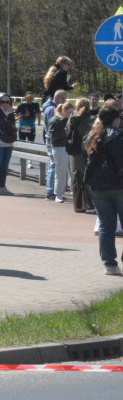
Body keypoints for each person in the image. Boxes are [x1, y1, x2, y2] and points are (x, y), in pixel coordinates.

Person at [83, 107, 123, 275]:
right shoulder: (119, 136)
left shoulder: (92, 136)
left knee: (106, 225)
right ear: (115, 120)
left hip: (97, 186)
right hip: (118, 186)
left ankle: (109, 264)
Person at [67, 98, 97, 214]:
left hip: (73, 151)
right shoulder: (90, 119)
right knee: (87, 177)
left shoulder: (72, 118)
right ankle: (89, 205)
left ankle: (78, 205)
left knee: (76, 177)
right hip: (85, 151)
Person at [43, 89, 68, 200]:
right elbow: (52, 128)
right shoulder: (51, 109)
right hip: (53, 141)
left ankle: (52, 190)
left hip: (53, 140)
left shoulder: (52, 108)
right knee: (54, 165)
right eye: (63, 98)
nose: (65, 100)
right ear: (56, 98)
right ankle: (50, 191)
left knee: (55, 165)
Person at [47, 100, 73, 203]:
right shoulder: (55, 120)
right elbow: (53, 137)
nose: (70, 115)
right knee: (60, 172)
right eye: (69, 112)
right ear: (64, 110)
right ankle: (58, 194)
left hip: (67, 147)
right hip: (59, 148)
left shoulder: (67, 120)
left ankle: (73, 191)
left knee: (72, 172)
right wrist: (65, 133)